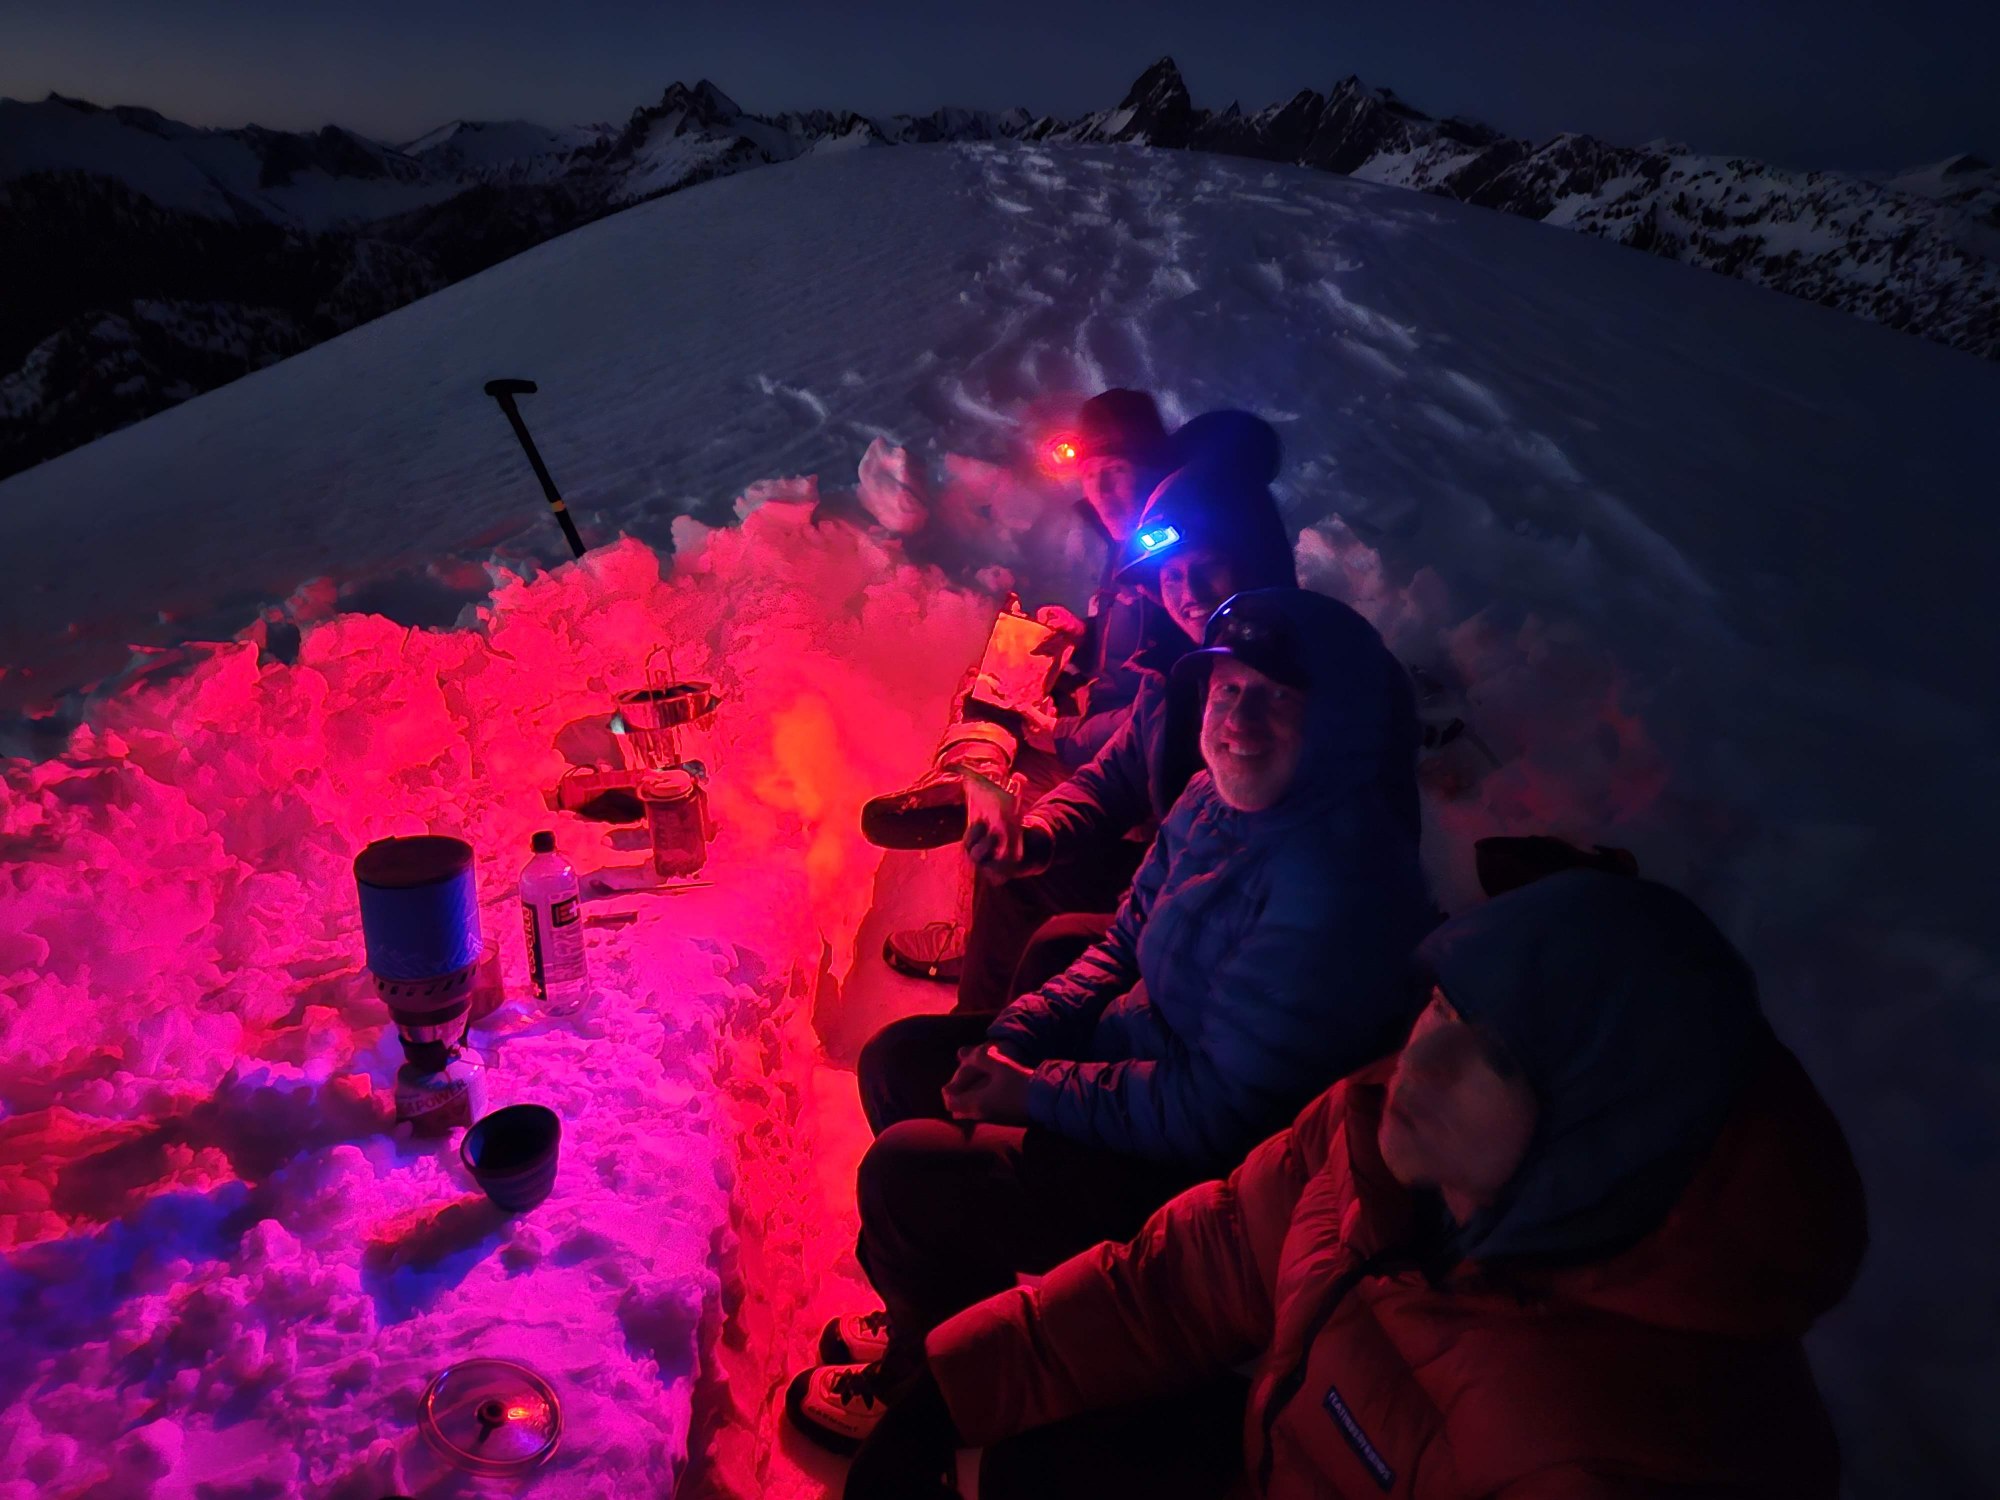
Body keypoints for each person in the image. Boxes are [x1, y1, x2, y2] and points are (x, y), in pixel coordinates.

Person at [849, 870, 1870, 1500]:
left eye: (1494, 1059)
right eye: (1441, 1009)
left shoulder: (1616, 1449)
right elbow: (1183, 1276)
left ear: (1600, 1133)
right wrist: (953, 1390)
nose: (1421, 1061)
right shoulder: (1380, 1144)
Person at [787, 587, 1436, 1452]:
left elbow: (1220, 1111)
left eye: (1277, 697)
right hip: (1147, 1081)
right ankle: (945, 1314)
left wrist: (1035, 1094)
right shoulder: (1214, 799)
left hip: (1209, 1175)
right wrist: (1016, 1038)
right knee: (902, 1060)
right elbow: (1122, 941)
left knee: (908, 1173)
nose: (1239, 719)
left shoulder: (1334, 878)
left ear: (1339, 721)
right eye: (1229, 690)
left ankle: (929, 1393)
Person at [945, 431, 1300, 1012]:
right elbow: (1110, 780)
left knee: (1054, 946)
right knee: (1022, 888)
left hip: (1226, 940)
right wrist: (1035, 838)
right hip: (1168, 887)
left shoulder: (1301, 683)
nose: (1188, 593)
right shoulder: (1178, 675)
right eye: (1171, 576)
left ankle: (996, 1037)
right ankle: (977, 1029)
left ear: (1255, 558)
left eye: (1208, 567)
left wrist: (1062, 736)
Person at [862, 389, 1176, 862]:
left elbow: (1163, 707)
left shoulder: (1177, 562)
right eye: (1091, 475)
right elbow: (1129, 648)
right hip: (1101, 720)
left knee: (1008, 704)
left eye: (1116, 472)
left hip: (1131, 768)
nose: (1102, 491)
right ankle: (965, 778)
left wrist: (1060, 733)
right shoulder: (1131, 543)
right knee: (1007, 667)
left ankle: (976, 786)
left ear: (1151, 471)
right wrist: (1083, 637)